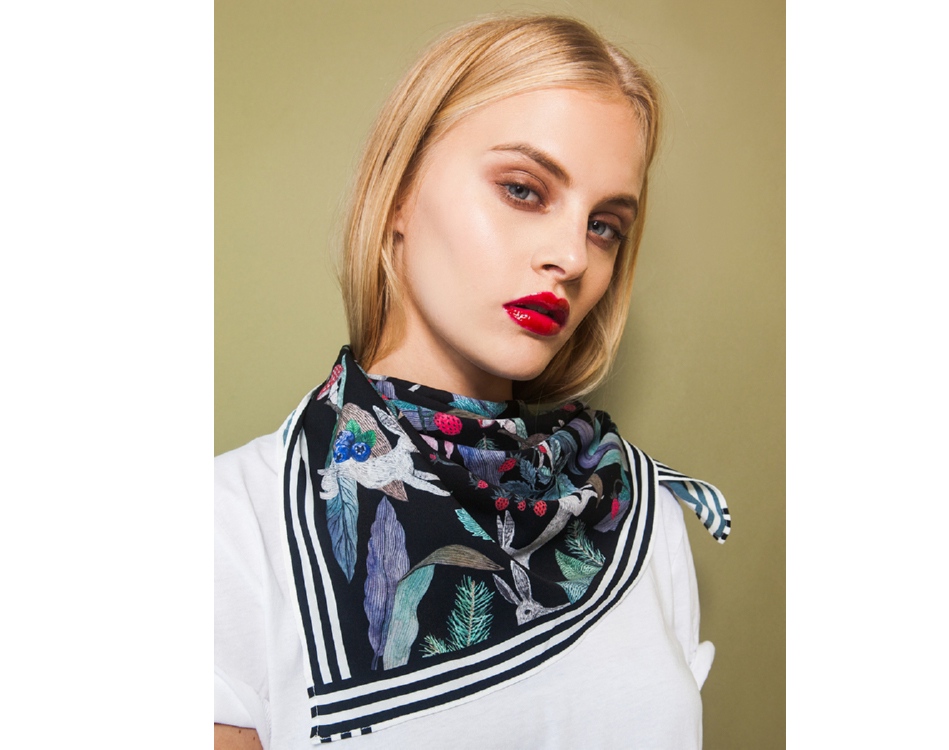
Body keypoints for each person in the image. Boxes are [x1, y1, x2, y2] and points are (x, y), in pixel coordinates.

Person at [215, 14, 730, 750]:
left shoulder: (644, 518)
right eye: (523, 190)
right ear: (400, 192)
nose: (571, 257)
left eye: (604, 226)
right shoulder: (231, 530)